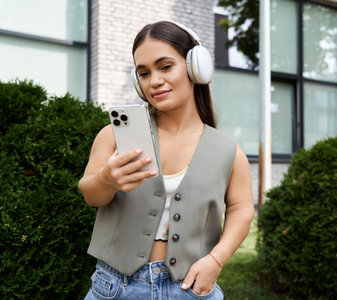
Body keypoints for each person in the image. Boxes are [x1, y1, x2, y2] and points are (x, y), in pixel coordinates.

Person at [78, 20, 254, 299]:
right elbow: (91, 195)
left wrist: (217, 260)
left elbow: (242, 208)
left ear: (196, 67)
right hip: (115, 288)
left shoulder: (228, 150)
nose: (154, 81)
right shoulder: (113, 136)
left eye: (165, 66)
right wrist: (106, 180)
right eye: (144, 73)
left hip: (192, 288)